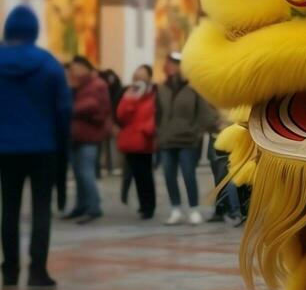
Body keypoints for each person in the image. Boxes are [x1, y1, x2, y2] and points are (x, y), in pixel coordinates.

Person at [0, 6, 72, 290]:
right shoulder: (49, 64)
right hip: (44, 148)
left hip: (5, 149)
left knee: (9, 208)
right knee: (42, 208)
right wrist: (62, 143)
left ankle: (9, 270)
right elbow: (63, 110)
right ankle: (37, 273)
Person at [156, 52, 216, 225]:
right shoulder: (161, 88)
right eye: (168, 64)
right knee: (168, 174)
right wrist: (159, 132)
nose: (169, 67)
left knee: (188, 174)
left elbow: (203, 113)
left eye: (173, 64)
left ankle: (194, 208)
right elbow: (157, 113)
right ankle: (175, 209)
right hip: (167, 139)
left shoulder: (193, 88)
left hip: (188, 140)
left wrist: (197, 131)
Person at [67, 56, 111, 223]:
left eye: (75, 68)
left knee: (86, 173)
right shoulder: (77, 85)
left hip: (90, 135)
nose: (73, 71)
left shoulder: (97, 84)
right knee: (78, 173)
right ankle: (81, 205)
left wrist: (74, 109)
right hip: (75, 135)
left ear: (85, 67)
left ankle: (94, 207)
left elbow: (99, 108)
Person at [116, 65, 157, 220]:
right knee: (136, 174)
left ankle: (149, 206)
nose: (138, 79)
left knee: (146, 174)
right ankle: (142, 205)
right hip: (130, 139)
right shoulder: (129, 92)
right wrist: (131, 100)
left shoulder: (154, 93)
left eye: (141, 76)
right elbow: (121, 115)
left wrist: (147, 129)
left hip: (145, 139)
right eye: (136, 76)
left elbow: (155, 113)